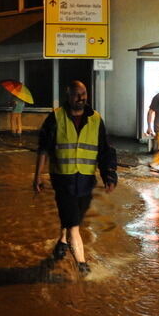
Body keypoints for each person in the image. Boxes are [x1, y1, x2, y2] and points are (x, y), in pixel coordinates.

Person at [32, 81, 117, 276]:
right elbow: (43, 149)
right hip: (63, 180)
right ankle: (82, 266)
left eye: (84, 93)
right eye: (77, 94)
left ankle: (61, 242)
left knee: (73, 218)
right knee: (74, 226)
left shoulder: (96, 119)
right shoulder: (55, 117)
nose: (81, 98)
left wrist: (109, 175)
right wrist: (37, 177)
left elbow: (105, 150)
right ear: (68, 96)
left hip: (86, 182)